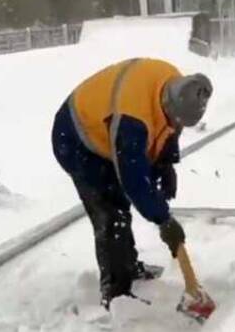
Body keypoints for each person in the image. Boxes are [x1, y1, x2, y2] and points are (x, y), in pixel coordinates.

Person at [51, 57, 213, 308]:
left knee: (119, 205)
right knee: (111, 212)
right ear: (167, 105)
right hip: (77, 137)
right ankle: (115, 293)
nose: (177, 127)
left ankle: (128, 266)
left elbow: (168, 128)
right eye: (176, 120)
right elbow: (133, 179)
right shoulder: (132, 119)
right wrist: (164, 219)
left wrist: (166, 164)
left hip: (106, 126)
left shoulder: (174, 83)